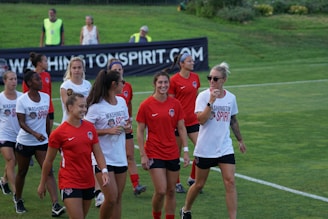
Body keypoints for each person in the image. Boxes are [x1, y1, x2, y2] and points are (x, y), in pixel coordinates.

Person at [180, 62, 247, 219]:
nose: (211, 81)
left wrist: (240, 140)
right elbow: (201, 120)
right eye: (209, 78)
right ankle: (186, 209)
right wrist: (211, 101)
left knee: (230, 182)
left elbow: (233, 120)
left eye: (215, 78)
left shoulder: (231, 98)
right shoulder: (203, 96)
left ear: (223, 80)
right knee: (199, 184)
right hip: (205, 148)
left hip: (224, 147)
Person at [37, 92, 110, 219]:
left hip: (88, 181)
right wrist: (42, 183)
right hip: (69, 182)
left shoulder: (90, 128)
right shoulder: (58, 133)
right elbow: (48, 161)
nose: (84, 109)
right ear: (70, 108)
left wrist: (104, 171)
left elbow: (98, 152)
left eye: (85, 106)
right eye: (81, 106)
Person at [136, 70, 190, 219]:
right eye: (160, 82)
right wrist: (143, 154)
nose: (163, 85)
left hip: (172, 152)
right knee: (160, 190)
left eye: (166, 82)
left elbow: (181, 128)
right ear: (155, 84)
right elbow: (140, 131)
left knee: (171, 190)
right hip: (154, 152)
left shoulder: (175, 104)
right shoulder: (146, 105)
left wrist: (185, 150)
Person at [15, 69, 65, 216]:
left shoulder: (45, 97)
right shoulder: (22, 100)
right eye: (37, 79)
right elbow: (21, 122)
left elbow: (48, 119)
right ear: (30, 83)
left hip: (42, 142)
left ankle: (55, 204)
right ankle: (18, 199)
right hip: (25, 142)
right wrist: (35, 134)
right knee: (22, 172)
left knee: (48, 171)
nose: (41, 81)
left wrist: (49, 136)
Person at [85, 69, 130, 219]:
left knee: (117, 199)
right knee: (110, 198)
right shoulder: (96, 107)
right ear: (113, 84)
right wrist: (107, 130)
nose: (124, 85)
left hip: (120, 157)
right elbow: (86, 132)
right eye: (122, 82)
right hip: (103, 158)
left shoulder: (122, 102)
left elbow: (125, 123)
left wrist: (127, 127)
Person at [107, 58, 146, 196]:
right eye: (115, 70)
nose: (118, 71)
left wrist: (128, 119)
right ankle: (101, 189)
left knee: (130, 155)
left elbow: (128, 103)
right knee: (109, 158)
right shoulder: (105, 88)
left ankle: (136, 185)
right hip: (109, 129)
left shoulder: (127, 86)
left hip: (125, 126)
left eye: (119, 69)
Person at [168, 53, 201, 194]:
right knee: (176, 154)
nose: (192, 63)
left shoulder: (195, 78)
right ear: (182, 64)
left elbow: (197, 96)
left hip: (193, 121)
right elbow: (171, 102)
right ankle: (176, 183)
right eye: (189, 61)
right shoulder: (174, 80)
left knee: (202, 149)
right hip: (178, 123)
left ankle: (193, 178)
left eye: (192, 60)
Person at [0, 71, 22, 198]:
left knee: (13, 163)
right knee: (10, 159)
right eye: (11, 79)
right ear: (5, 81)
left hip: (19, 136)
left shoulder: (21, 97)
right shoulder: (0, 98)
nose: (14, 81)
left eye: (15, 79)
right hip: (4, 135)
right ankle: (16, 194)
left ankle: (4, 181)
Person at [60, 56, 91, 123]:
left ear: (83, 69)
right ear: (70, 69)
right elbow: (68, 107)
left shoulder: (88, 84)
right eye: (74, 68)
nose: (77, 70)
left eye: (79, 67)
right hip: (69, 122)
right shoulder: (65, 86)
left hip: (85, 121)